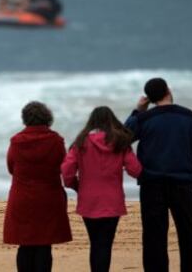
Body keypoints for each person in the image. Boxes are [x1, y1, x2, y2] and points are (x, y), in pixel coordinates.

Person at [125, 78, 192, 272]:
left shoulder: (143, 118)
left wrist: (138, 111)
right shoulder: (190, 117)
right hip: (183, 183)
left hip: (151, 184)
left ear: (149, 99)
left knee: (154, 236)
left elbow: (122, 138)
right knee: (187, 234)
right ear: (168, 90)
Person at [61, 106, 142, 272]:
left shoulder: (81, 142)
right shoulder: (120, 142)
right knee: (105, 244)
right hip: (113, 201)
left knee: (95, 243)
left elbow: (67, 172)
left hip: (88, 201)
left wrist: (78, 186)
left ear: (92, 121)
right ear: (112, 121)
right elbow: (136, 170)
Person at [3, 101, 72, 272]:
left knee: (24, 245)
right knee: (44, 246)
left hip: (22, 197)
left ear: (25, 119)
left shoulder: (16, 141)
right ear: (47, 118)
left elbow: (11, 168)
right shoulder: (56, 141)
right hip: (49, 197)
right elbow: (62, 167)